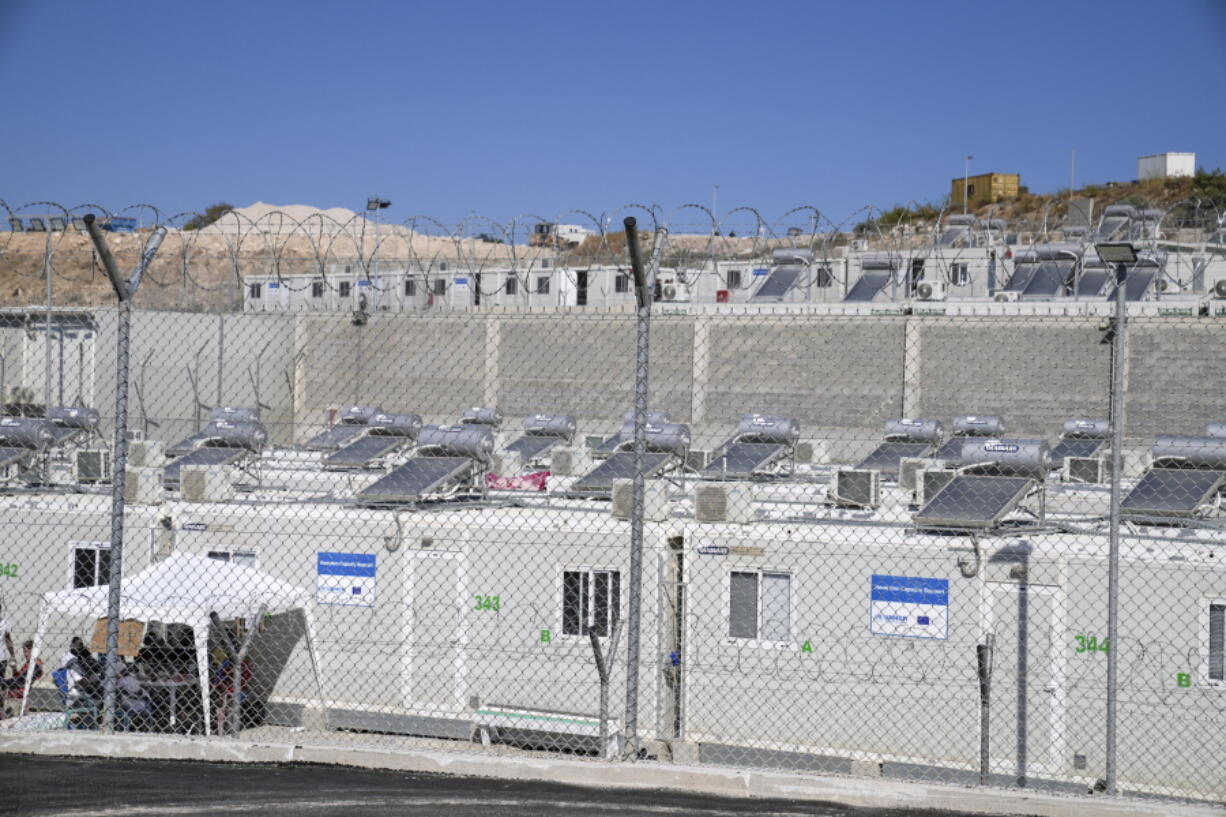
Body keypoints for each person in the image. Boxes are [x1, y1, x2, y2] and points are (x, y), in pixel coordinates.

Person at [2, 640, 44, 718]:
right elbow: (18, 678)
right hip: (16, 691)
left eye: (28, 651)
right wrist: (14, 669)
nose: (26, 654)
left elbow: (21, 681)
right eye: (24, 651)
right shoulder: (29, 663)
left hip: (20, 694)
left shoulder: (35, 665)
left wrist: (3, 682)